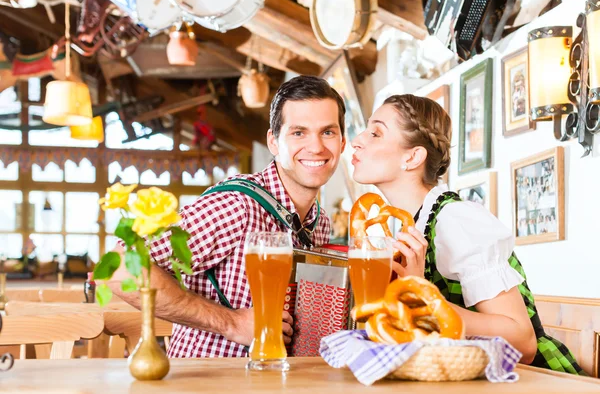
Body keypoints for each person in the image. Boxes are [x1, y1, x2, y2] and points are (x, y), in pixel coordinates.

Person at [107, 75, 346, 358]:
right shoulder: (237, 205)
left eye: (328, 132)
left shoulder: (319, 222)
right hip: (204, 382)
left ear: (343, 141)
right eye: (298, 133)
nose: (316, 147)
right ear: (274, 142)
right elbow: (118, 267)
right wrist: (231, 323)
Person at [350, 94, 583, 375]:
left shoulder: (455, 220)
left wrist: (425, 296)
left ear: (412, 157)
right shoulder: (406, 226)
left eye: (375, 133)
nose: (357, 140)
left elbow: (523, 342)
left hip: (531, 381)